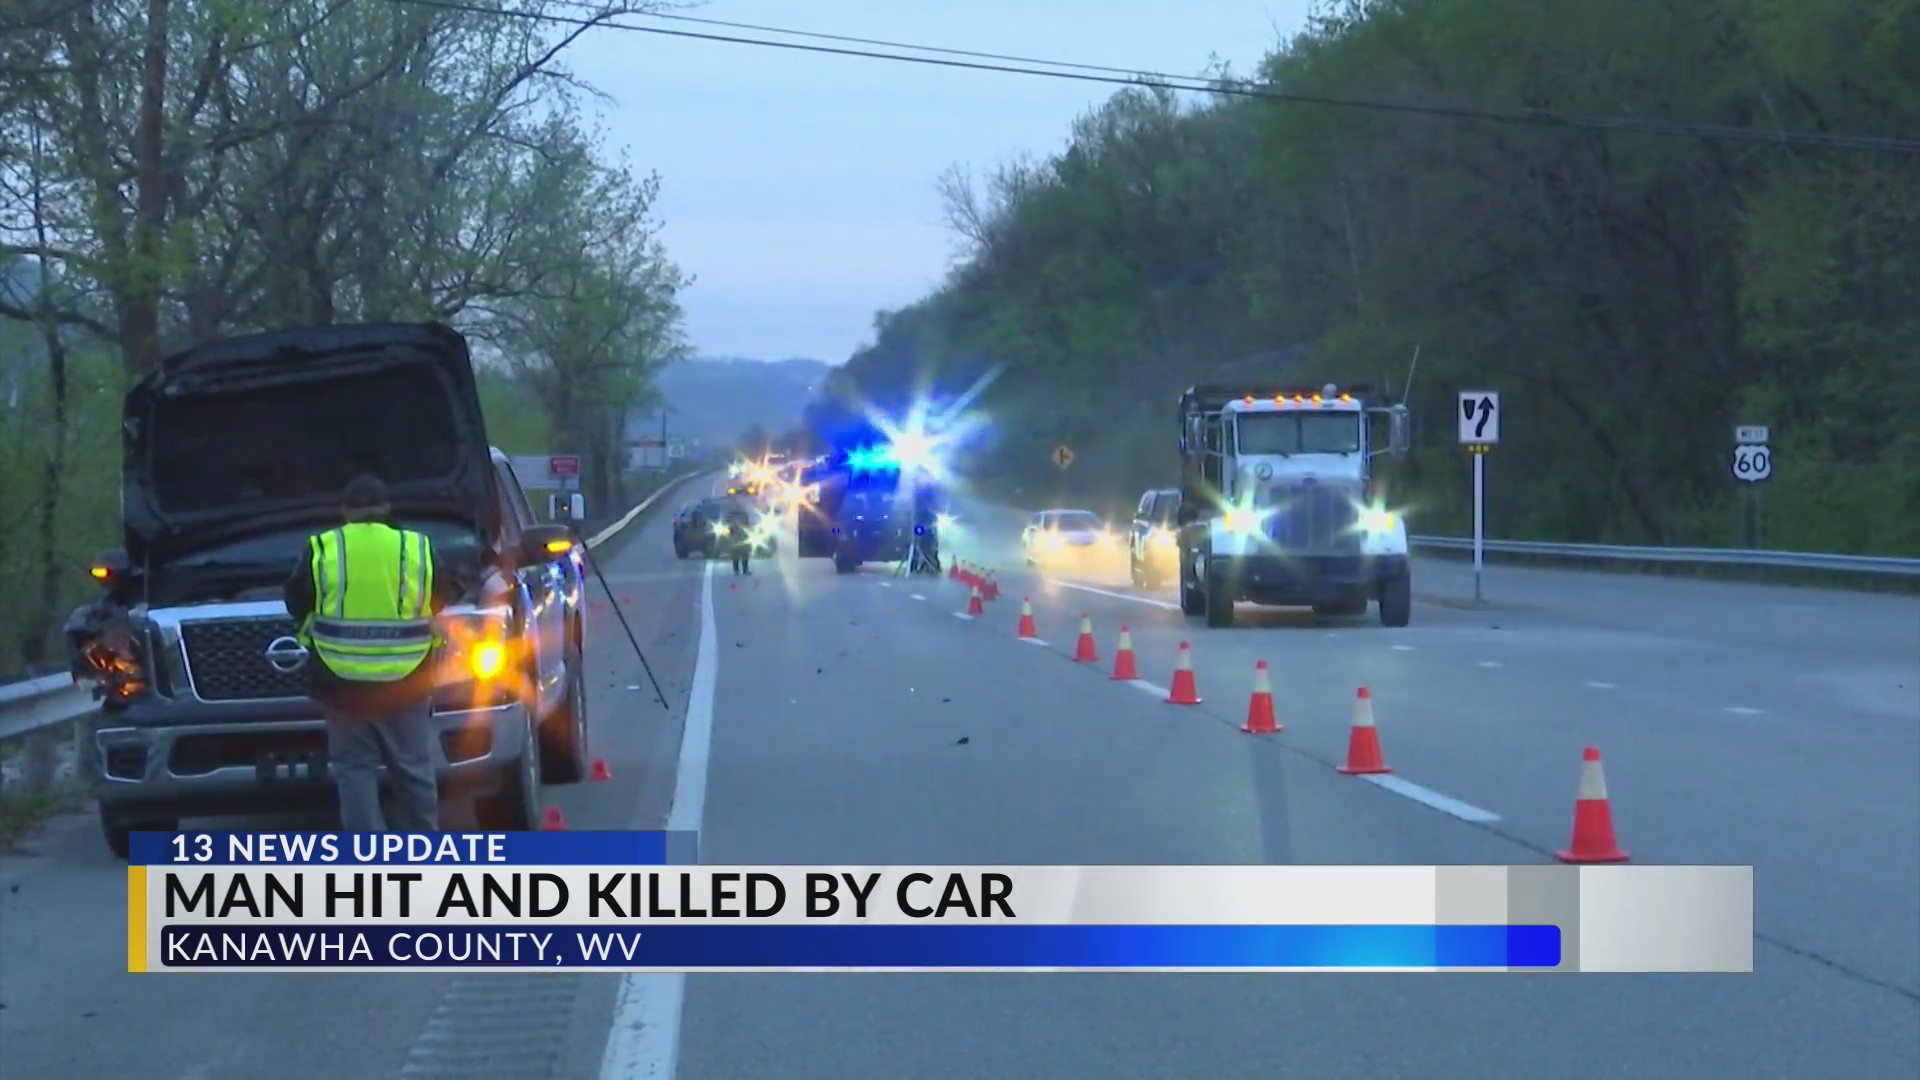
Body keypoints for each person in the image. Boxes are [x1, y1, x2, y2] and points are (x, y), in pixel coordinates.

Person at [283, 475, 465, 832]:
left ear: (344, 511)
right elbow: (443, 596)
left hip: (341, 681)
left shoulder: (323, 547)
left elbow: (296, 602)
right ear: (386, 509)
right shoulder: (416, 546)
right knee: (413, 768)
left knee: (355, 771)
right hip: (407, 679)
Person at [725, 503, 754, 575]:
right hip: (739, 539)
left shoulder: (733, 516)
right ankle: (741, 570)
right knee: (739, 555)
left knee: (740, 555)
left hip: (739, 539)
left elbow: (748, 526)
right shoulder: (735, 516)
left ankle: (739, 570)